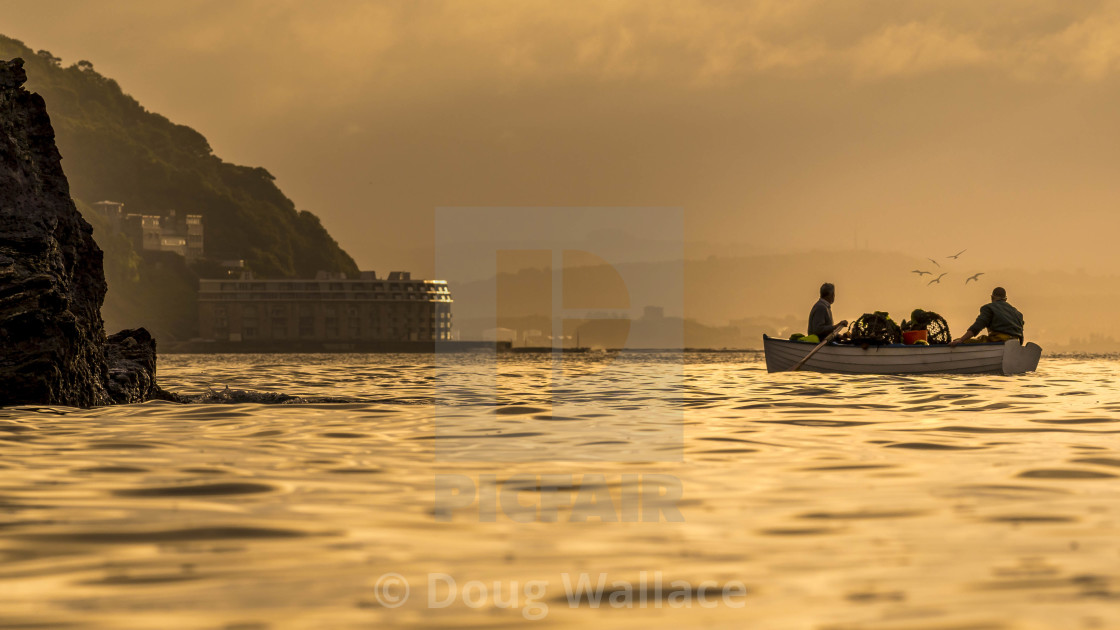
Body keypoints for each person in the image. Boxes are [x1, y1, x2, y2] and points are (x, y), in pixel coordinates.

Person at [949, 286, 1024, 347]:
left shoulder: (989, 308)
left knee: (958, 341)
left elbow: (977, 326)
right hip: (1015, 343)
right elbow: (1021, 336)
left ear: (992, 297)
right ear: (1006, 299)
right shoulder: (1018, 313)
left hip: (998, 341)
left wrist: (961, 340)